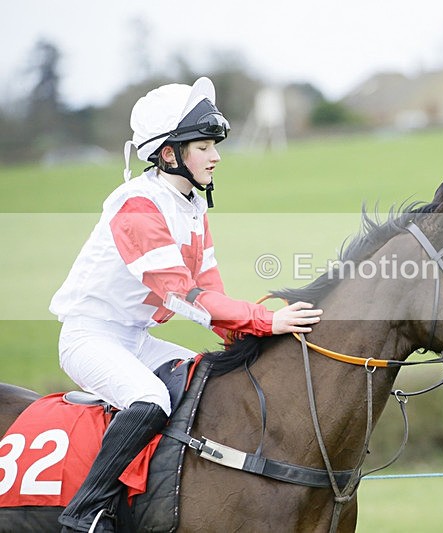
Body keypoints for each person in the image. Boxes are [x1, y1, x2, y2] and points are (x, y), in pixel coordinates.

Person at [49, 77, 322, 532]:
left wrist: (257, 345)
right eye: (203, 146)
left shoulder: (192, 206)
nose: (216, 156)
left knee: (211, 382)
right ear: (170, 153)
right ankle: (85, 513)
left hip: (136, 339)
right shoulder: (137, 205)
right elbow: (182, 295)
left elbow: (211, 290)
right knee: (152, 399)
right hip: (90, 338)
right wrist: (266, 320)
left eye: (215, 145)